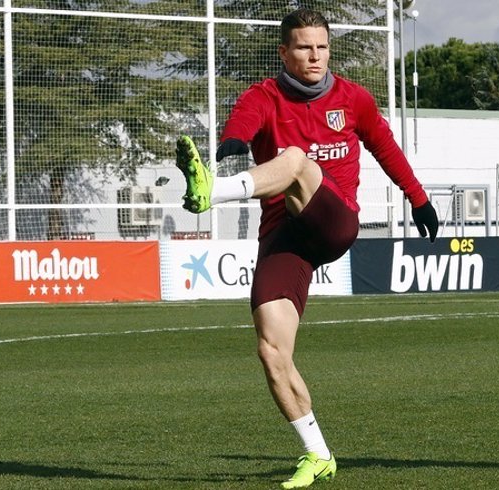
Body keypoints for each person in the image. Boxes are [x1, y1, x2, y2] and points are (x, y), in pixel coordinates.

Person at [176, 8, 438, 489]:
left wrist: (419, 201)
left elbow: (386, 149)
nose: (314, 55)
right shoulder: (265, 95)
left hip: (335, 222)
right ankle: (318, 454)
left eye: (321, 46)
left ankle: (211, 192)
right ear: (284, 52)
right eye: (303, 47)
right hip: (286, 235)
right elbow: (244, 120)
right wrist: (234, 140)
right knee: (271, 350)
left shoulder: (352, 99)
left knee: (295, 160)